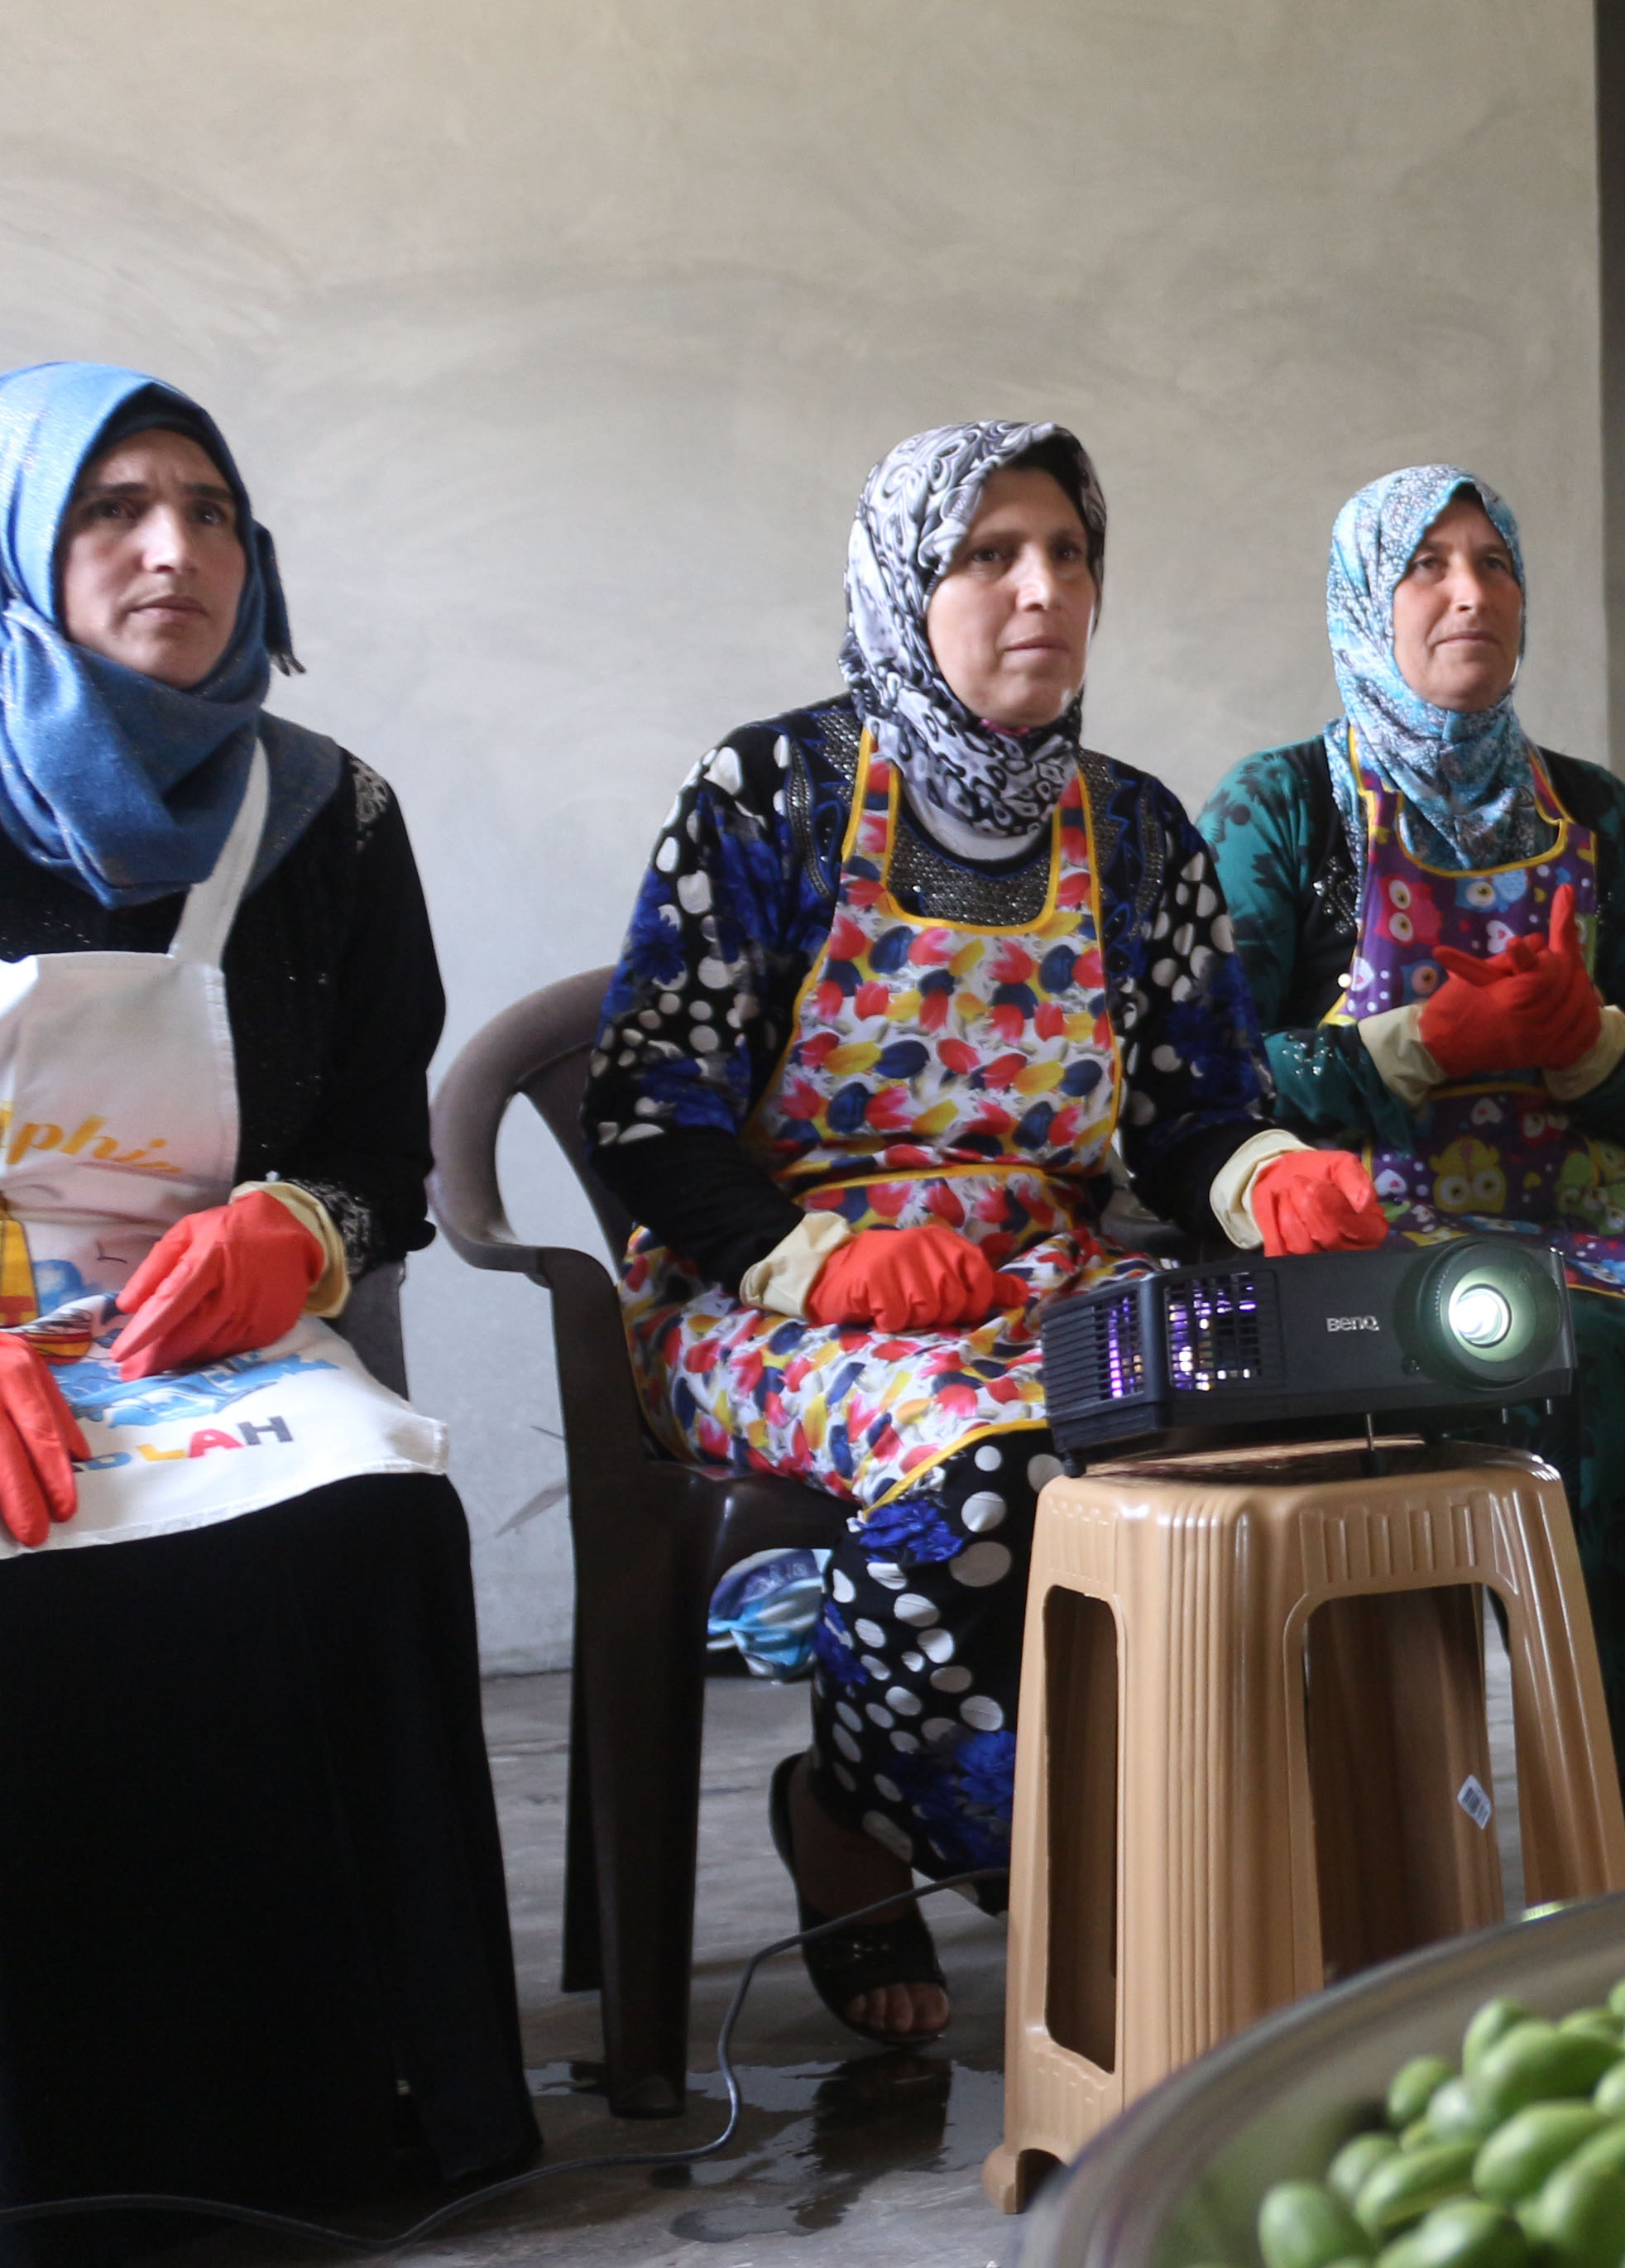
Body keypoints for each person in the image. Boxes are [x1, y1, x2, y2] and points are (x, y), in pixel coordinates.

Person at [589, 420, 1391, 2044]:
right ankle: (907, 1833)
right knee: (1000, 1444)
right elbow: (646, 1103)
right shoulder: (773, 792)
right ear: (905, 582)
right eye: (985, 556)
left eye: (1070, 555)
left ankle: (1207, 1855)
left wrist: (1268, 1177)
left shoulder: (1140, 833)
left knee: (1266, 1431)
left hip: (1039, 1273)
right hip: (774, 1291)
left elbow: (1188, 1111)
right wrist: (812, 1257)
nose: (1042, 590)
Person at [0, 362, 530, 2268]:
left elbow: (376, 1136)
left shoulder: (328, 817)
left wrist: (302, 1230)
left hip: (195, 1346)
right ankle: (23, 2179)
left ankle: (352, 2114)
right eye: (111, 511)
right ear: (17, 549)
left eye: (209, 509)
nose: (173, 551)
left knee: (372, 1516)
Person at [1205, 466, 1625, 1873]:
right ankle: (1612, 1773)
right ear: (1364, 604)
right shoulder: (1285, 810)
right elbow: (1212, 1072)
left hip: (1597, 1202)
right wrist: (1417, 1044)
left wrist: (1588, 1044)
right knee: (1594, 1366)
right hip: (1391, 1222)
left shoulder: (1600, 814)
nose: (1469, 594)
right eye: (1427, 567)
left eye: (1494, 563)